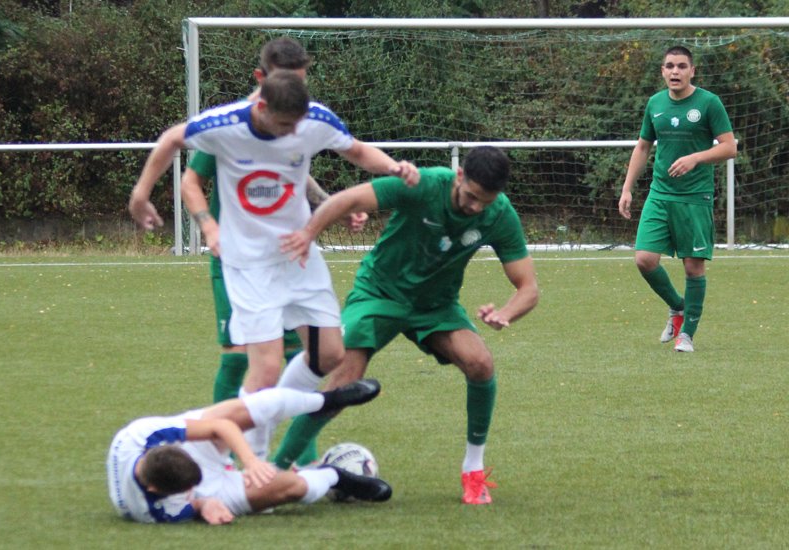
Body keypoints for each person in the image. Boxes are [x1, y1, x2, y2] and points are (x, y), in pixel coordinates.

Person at [130, 68, 418, 458]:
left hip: (298, 256)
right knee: (263, 370)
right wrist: (142, 194)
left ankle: (265, 419)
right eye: (283, 125)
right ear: (262, 106)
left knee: (331, 354)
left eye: (296, 126)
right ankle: (253, 462)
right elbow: (171, 141)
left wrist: (394, 167)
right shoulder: (225, 124)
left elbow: (358, 152)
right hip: (249, 265)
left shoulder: (312, 119)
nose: (289, 134)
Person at [274, 146, 540, 505]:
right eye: (472, 196)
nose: (477, 207)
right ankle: (276, 472)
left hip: (435, 305)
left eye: (486, 201)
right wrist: (309, 233)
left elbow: (529, 288)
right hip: (380, 292)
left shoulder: (499, 214)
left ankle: (473, 471)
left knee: (481, 363)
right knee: (344, 380)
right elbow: (348, 199)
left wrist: (506, 313)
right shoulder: (424, 184)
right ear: (459, 177)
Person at [180, 37, 365, 418]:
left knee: (305, 356)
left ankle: (290, 458)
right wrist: (207, 227)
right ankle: (224, 448)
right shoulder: (232, 124)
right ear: (262, 79)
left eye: (302, 81)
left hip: (287, 256)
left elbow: (293, 175)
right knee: (240, 359)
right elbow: (191, 179)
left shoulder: (290, 118)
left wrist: (329, 204)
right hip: (241, 255)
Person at [107, 379, 391, 524]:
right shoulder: (151, 511)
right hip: (211, 490)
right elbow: (192, 505)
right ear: (157, 489)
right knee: (290, 489)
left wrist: (250, 461)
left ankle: (326, 399)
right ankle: (334, 476)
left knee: (238, 411)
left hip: (194, 450)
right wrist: (204, 504)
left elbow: (220, 426)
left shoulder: (138, 436)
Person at [619, 45, 736, 353]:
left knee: (692, 268)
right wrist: (627, 187)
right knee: (644, 259)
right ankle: (677, 307)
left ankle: (687, 335)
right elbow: (643, 146)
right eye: (669, 66)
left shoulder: (709, 103)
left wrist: (696, 157)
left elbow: (729, 147)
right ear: (662, 71)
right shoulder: (655, 103)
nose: (675, 71)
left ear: (691, 71)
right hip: (660, 194)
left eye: (681, 66)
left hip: (695, 196)